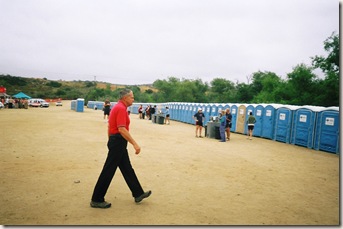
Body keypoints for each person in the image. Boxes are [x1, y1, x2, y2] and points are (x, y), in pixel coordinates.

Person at [90, 89, 151, 209]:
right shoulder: (121, 109)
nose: (133, 99)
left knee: (127, 168)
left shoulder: (118, 107)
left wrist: (109, 140)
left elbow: (110, 126)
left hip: (117, 141)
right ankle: (96, 199)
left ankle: (138, 193)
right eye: (132, 97)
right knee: (108, 170)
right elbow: (122, 129)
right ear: (125, 98)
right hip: (118, 141)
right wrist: (135, 144)